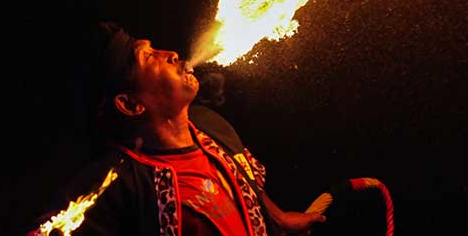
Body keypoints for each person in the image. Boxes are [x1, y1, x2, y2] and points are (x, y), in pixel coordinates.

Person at [28, 21, 327, 236]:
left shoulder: (213, 127)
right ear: (131, 104)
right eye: (149, 57)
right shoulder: (111, 186)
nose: (170, 54)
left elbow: (247, 182)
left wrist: (280, 219)